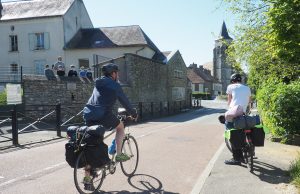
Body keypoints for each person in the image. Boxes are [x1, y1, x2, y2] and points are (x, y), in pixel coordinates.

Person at [83, 63, 137, 162]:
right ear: (113, 74)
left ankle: (87, 176)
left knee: (91, 141)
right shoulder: (115, 85)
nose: (118, 76)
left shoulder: (97, 83)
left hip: (88, 113)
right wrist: (133, 114)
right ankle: (119, 155)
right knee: (120, 127)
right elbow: (125, 101)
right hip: (103, 114)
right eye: (117, 73)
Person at [224, 73, 251, 165]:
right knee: (241, 131)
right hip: (243, 113)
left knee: (232, 133)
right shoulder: (247, 88)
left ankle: (237, 158)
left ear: (232, 81)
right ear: (241, 80)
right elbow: (249, 102)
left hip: (234, 113)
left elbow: (229, 102)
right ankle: (245, 149)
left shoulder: (230, 87)